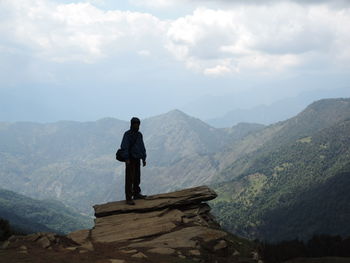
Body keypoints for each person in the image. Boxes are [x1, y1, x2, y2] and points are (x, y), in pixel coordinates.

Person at [120, 117, 147, 205]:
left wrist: (143, 158)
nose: (137, 126)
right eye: (135, 124)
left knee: (137, 177)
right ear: (131, 125)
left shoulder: (139, 135)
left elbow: (142, 147)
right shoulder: (127, 135)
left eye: (138, 124)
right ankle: (128, 198)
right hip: (130, 160)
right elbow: (125, 147)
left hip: (137, 159)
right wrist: (127, 159)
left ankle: (136, 194)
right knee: (129, 179)